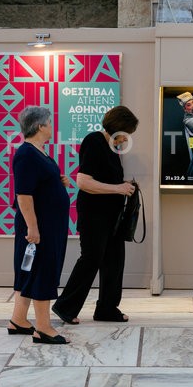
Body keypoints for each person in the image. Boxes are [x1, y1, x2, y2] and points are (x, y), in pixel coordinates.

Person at [52, 105, 138, 325]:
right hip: (94, 215)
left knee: (114, 261)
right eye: (125, 134)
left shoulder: (111, 147)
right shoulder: (94, 141)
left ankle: (107, 309)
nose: (126, 139)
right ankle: (65, 306)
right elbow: (83, 181)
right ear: (117, 128)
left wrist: (124, 185)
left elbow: (104, 179)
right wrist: (118, 188)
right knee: (91, 259)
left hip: (112, 217)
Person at [8, 106, 72, 345]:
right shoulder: (26, 154)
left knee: (29, 270)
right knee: (42, 271)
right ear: (39, 126)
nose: (52, 127)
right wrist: (32, 228)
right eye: (50, 123)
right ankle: (43, 328)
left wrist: (58, 181)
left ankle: (18, 320)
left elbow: (39, 184)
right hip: (40, 226)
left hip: (49, 224)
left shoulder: (39, 152)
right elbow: (23, 196)